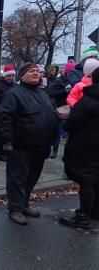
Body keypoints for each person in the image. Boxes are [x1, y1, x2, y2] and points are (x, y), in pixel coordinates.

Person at [0, 62, 58, 225]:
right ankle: (15, 209)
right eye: (31, 71)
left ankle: (24, 204)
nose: (36, 73)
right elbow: (5, 120)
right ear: (22, 75)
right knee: (17, 179)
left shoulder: (43, 94)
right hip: (20, 146)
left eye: (38, 71)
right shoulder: (14, 94)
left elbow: (50, 116)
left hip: (40, 145)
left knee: (32, 178)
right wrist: (7, 144)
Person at [59, 67, 99, 229]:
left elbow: (72, 123)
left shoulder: (89, 100)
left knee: (86, 180)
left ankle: (83, 217)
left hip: (86, 147)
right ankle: (95, 211)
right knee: (96, 179)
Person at [0, 65, 16, 161]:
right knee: (0, 136)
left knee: (9, 136)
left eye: (12, 76)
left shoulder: (15, 86)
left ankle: (8, 152)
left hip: (13, 116)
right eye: (9, 76)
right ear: (4, 76)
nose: (11, 78)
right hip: (0, 115)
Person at [46, 64, 72, 159]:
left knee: (57, 130)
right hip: (48, 108)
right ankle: (47, 148)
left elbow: (65, 94)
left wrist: (65, 91)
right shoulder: (45, 81)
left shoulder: (61, 81)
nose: (53, 71)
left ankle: (55, 150)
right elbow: (50, 93)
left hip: (59, 108)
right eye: (52, 70)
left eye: (55, 70)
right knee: (48, 130)